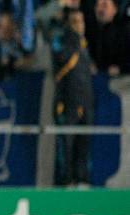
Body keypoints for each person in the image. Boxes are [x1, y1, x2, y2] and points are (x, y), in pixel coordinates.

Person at [52, 8, 94, 186]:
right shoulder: (65, 42)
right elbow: (60, 60)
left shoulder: (84, 45)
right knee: (67, 145)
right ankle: (66, 181)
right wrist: (71, 37)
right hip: (67, 102)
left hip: (85, 102)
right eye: (75, 22)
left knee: (84, 143)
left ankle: (82, 179)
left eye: (81, 21)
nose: (79, 26)